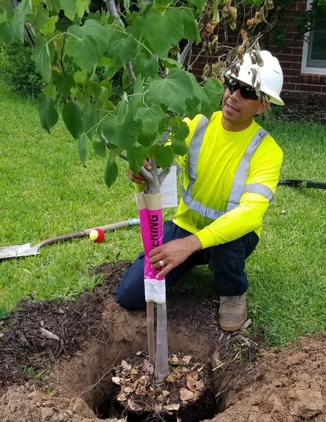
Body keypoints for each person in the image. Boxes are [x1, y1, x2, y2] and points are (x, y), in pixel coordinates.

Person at [116, 50, 285, 332]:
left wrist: (191, 245)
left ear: (262, 106)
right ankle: (193, 258)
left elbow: (250, 214)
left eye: (247, 92)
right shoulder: (197, 124)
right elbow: (158, 171)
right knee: (130, 295)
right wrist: (141, 173)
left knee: (228, 241)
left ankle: (232, 290)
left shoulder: (267, 151)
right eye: (231, 84)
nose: (233, 95)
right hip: (186, 226)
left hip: (231, 238)